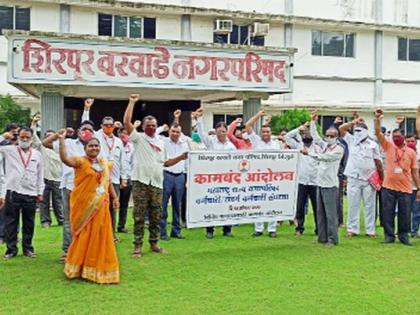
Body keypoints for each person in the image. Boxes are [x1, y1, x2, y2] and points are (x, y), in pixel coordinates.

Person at [123, 94, 188, 258]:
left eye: (153, 125)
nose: (151, 127)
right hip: (141, 181)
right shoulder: (138, 139)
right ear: (143, 126)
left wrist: (181, 157)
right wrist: (131, 102)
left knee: (156, 214)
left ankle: (154, 243)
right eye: (148, 125)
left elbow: (165, 163)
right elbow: (126, 123)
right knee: (139, 215)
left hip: (157, 183)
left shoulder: (160, 142)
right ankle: (137, 246)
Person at [57, 131, 120, 284]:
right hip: (83, 205)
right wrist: (61, 140)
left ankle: (97, 266)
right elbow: (65, 159)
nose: (94, 148)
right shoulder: (80, 161)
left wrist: (115, 197)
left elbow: (108, 181)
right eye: (91, 146)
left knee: (100, 234)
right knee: (84, 234)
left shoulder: (104, 163)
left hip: (101, 206)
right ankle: (79, 267)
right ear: (85, 148)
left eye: (96, 146)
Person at [43, 120, 97, 262]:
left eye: (90, 130)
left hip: (89, 190)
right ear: (78, 131)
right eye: (84, 129)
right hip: (69, 187)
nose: (87, 132)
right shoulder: (69, 143)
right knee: (69, 220)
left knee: (87, 219)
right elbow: (45, 143)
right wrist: (58, 135)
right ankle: (68, 251)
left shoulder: (96, 147)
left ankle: (84, 251)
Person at [81, 98, 128, 240]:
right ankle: (97, 233)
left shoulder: (119, 141)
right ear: (101, 126)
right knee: (97, 205)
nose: (108, 127)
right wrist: (87, 109)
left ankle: (111, 234)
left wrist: (124, 177)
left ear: (114, 126)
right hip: (99, 177)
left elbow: (123, 160)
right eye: (106, 125)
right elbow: (85, 125)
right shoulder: (96, 136)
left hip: (113, 178)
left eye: (110, 125)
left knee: (113, 206)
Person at [374, 109, 420, 246]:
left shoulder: (411, 152)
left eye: (398, 136)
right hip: (388, 186)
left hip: (405, 188)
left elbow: (415, 172)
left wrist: (418, 188)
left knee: (405, 214)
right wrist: (377, 119)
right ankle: (389, 236)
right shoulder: (388, 146)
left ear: (404, 138)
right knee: (387, 213)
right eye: (394, 136)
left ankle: (404, 236)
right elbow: (378, 133)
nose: (396, 138)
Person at [0, 127, 44, 259]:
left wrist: (40, 191)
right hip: (13, 191)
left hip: (30, 192)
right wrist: (4, 136)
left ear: (31, 138)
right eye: (22, 137)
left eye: (27, 137)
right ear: (17, 137)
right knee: (11, 222)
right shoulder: (8, 150)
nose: (24, 140)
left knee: (29, 223)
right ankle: (11, 249)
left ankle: (28, 248)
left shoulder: (37, 154)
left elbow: (40, 174)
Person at [194, 106, 236, 238]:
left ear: (226, 132)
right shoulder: (211, 142)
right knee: (212, 204)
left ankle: (227, 229)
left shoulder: (231, 146)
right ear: (216, 132)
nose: (221, 134)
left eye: (224, 131)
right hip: (213, 179)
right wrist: (199, 118)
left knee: (227, 204)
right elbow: (201, 133)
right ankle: (210, 230)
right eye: (219, 131)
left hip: (228, 179)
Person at [339, 118, 383, 238]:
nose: (357, 132)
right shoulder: (351, 140)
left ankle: (370, 230)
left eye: (360, 130)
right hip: (353, 177)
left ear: (366, 131)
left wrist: (381, 178)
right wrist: (353, 123)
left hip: (369, 178)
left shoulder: (373, 144)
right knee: (353, 204)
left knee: (370, 205)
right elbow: (341, 129)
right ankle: (352, 229)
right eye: (356, 130)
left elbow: (378, 162)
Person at [308, 111, 344, 246]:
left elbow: (325, 158)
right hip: (320, 183)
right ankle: (322, 237)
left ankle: (332, 239)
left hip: (331, 185)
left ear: (336, 137)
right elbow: (316, 137)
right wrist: (312, 122)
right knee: (320, 213)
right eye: (327, 135)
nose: (328, 137)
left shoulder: (338, 149)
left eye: (332, 136)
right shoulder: (325, 146)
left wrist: (311, 154)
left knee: (331, 214)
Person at [245, 109, 281, 238]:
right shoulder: (256, 141)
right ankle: (258, 229)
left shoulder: (276, 144)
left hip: (273, 177)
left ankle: (272, 229)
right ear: (260, 133)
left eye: (267, 132)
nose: (265, 133)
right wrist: (258, 115)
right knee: (258, 202)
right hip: (258, 178)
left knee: (272, 203)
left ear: (271, 133)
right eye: (263, 131)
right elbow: (247, 126)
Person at [285, 122, 319, 236]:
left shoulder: (319, 146)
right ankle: (299, 228)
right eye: (304, 132)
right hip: (301, 181)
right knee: (299, 207)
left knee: (317, 207)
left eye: (308, 132)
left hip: (315, 182)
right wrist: (298, 128)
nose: (306, 134)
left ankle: (319, 229)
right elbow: (287, 137)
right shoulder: (298, 145)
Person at [160, 110, 189, 240]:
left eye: (178, 132)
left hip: (180, 176)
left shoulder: (184, 143)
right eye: (173, 131)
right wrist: (175, 119)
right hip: (167, 175)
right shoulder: (163, 141)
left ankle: (176, 231)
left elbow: (187, 161)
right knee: (163, 205)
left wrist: (186, 177)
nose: (175, 134)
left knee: (177, 205)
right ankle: (162, 232)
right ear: (169, 132)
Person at [31, 116, 63, 228]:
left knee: (58, 201)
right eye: (47, 136)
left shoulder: (60, 148)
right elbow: (33, 137)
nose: (50, 138)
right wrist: (34, 123)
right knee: (43, 202)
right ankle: (45, 221)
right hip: (44, 178)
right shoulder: (41, 147)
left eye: (52, 136)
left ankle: (61, 220)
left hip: (58, 178)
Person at [117, 126, 135, 233]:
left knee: (124, 203)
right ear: (118, 134)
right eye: (123, 133)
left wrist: (130, 177)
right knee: (111, 203)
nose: (125, 136)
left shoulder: (131, 147)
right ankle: (110, 226)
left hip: (127, 178)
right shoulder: (114, 144)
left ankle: (121, 226)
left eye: (127, 134)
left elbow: (133, 163)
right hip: (115, 178)